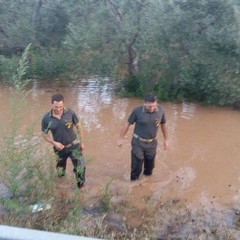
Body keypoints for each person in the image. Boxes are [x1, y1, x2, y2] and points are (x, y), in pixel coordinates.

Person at [117, 93, 168, 181]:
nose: (151, 108)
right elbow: (127, 124)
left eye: (154, 106)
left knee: (149, 168)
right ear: (145, 103)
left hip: (152, 143)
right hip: (138, 142)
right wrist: (121, 138)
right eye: (149, 106)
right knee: (137, 166)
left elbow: (164, 125)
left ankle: (146, 185)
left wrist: (166, 139)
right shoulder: (137, 111)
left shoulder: (161, 111)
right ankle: (133, 184)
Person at [41, 93, 86, 189]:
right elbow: (44, 134)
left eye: (60, 107)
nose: (58, 109)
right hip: (59, 149)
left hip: (74, 146)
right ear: (51, 104)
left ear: (63, 104)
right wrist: (54, 143)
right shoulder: (46, 118)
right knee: (60, 171)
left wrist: (82, 142)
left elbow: (79, 127)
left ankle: (80, 187)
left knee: (81, 167)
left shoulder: (70, 113)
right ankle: (60, 187)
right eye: (56, 107)